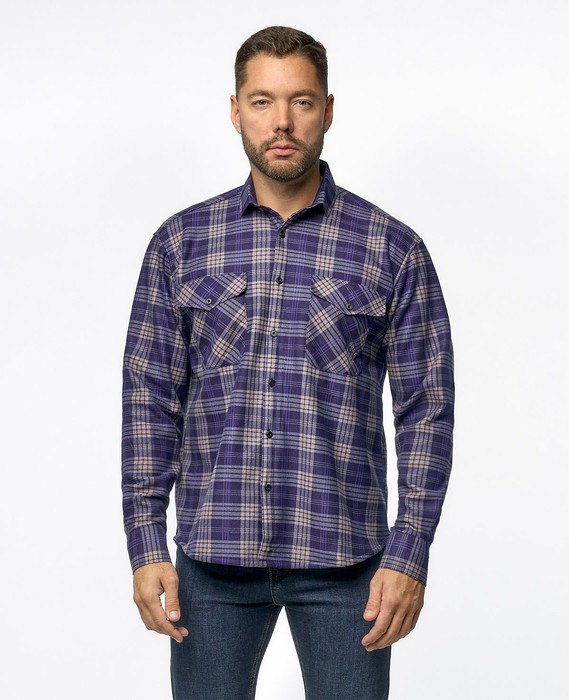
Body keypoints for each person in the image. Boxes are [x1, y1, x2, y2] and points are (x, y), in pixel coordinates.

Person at [122, 25, 454, 700]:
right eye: (262, 101)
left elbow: (427, 411)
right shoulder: (181, 244)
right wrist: (146, 541)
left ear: (327, 111)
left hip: (348, 565)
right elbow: (149, 398)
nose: (282, 122)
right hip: (210, 563)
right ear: (235, 110)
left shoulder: (392, 248)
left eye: (301, 101)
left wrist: (410, 551)